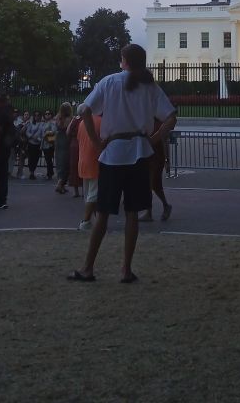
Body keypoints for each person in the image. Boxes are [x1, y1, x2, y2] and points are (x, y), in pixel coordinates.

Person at [68, 43, 176, 283]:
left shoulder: (109, 82)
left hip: (113, 154)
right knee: (132, 214)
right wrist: (154, 139)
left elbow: (84, 110)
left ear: (124, 60)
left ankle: (88, 268)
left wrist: (96, 142)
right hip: (139, 153)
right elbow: (171, 117)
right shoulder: (150, 86)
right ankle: (126, 269)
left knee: (103, 213)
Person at [139, 123, 172, 222]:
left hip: (156, 157)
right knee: (150, 185)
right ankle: (150, 211)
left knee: (154, 184)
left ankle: (164, 206)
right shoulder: (147, 120)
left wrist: (166, 160)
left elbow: (164, 141)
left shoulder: (158, 123)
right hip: (148, 157)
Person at [77, 109, 101, 231]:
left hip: (83, 161)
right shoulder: (102, 122)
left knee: (88, 194)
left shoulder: (82, 122)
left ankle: (94, 220)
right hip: (95, 162)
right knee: (94, 194)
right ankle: (86, 221)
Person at [54, 102, 72, 194]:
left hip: (58, 140)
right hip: (65, 140)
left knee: (59, 161)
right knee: (66, 162)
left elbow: (56, 127)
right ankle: (60, 184)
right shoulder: (69, 119)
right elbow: (68, 130)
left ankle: (61, 184)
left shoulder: (58, 117)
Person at [25, 111, 46, 180]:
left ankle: (33, 171)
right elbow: (27, 132)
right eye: (35, 115)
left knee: (36, 159)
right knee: (30, 158)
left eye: (38, 115)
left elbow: (43, 134)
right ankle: (31, 172)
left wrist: (39, 139)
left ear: (40, 116)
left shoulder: (42, 124)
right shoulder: (30, 123)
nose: (36, 117)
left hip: (38, 144)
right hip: (31, 143)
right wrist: (31, 136)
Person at [42, 110, 57, 179]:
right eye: (46, 114)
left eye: (49, 114)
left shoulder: (52, 122)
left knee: (48, 159)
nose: (47, 115)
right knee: (47, 158)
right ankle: (50, 172)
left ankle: (49, 173)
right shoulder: (44, 123)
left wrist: (47, 132)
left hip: (49, 143)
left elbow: (54, 131)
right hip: (45, 142)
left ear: (51, 115)